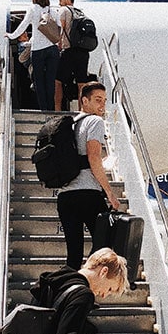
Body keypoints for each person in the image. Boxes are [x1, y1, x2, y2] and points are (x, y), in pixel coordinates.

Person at [57, 82, 120, 271]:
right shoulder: (95, 122)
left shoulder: (71, 124)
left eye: (105, 101)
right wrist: (109, 192)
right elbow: (94, 157)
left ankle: (68, 290)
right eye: (97, 100)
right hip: (88, 194)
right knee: (104, 244)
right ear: (84, 101)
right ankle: (88, 284)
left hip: (65, 196)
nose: (102, 105)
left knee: (74, 254)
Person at [6, 0, 59, 111]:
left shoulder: (32, 9)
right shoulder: (51, 10)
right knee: (50, 81)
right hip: (52, 48)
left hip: (38, 49)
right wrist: (58, 39)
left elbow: (23, 25)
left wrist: (11, 35)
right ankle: (51, 109)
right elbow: (60, 26)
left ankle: (44, 109)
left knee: (39, 81)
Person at [54, 0, 90, 111]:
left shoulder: (64, 10)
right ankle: (82, 111)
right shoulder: (80, 12)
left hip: (69, 51)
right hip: (83, 52)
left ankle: (57, 109)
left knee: (58, 81)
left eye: (61, 0)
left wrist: (58, 43)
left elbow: (61, 28)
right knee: (82, 84)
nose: (59, 3)